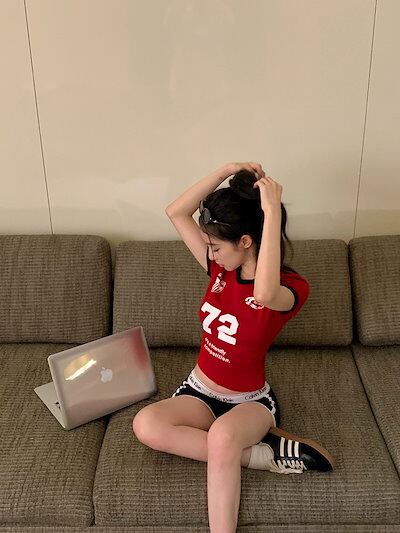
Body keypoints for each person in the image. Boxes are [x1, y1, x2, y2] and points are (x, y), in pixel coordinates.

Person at [132, 162, 334, 533]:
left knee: (223, 436)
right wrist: (225, 170)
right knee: (146, 424)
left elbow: (264, 293)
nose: (210, 254)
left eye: (216, 246)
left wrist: (271, 212)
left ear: (245, 241)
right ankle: (262, 454)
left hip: (249, 402)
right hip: (198, 391)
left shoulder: (290, 288)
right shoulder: (220, 271)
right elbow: (176, 212)